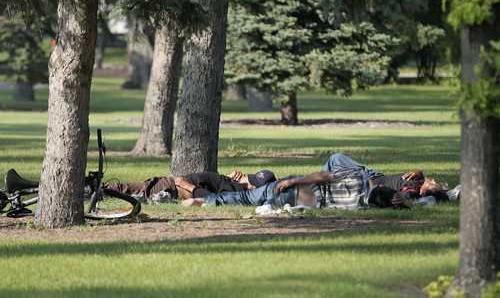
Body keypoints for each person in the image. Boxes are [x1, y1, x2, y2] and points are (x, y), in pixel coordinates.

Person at [182, 153, 448, 208]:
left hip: (302, 190)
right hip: (310, 196)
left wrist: (296, 180)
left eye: (437, 185)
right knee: (253, 196)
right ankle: (206, 200)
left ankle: (204, 199)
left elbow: (325, 175)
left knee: (254, 195)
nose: (436, 180)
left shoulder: (415, 194)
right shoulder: (418, 180)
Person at [104, 170, 276, 203]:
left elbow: (211, 198)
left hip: (172, 186)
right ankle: (91, 189)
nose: (246, 179)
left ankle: (90, 190)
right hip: (171, 184)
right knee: (123, 188)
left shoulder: (237, 191)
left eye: (251, 181)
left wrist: (185, 184)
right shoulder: (237, 185)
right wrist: (229, 177)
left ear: (255, 188)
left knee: (121, 189)